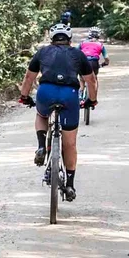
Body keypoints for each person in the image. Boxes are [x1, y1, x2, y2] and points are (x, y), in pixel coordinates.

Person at [18, 23, 98, 202]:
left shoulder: (42, 52)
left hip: (46, 92)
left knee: (41, 114)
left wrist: (24, 96)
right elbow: (91, 80)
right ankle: (69, 184)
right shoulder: (78, 54)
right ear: (69, 39)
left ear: (52, 38)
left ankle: (41, 146)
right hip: (69, 96)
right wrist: (92, 100)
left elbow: (29, 78)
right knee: (70, 144)